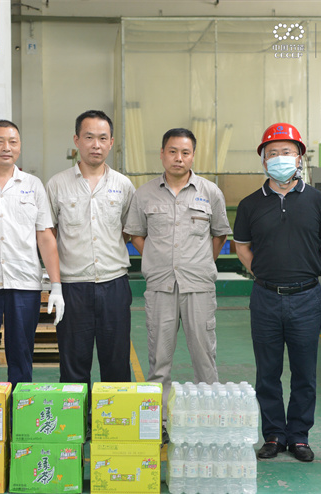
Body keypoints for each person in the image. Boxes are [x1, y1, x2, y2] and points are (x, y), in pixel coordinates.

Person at [233, 123, 321, 462]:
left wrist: (310, 272)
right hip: (265, 297)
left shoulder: (318, 201)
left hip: (306, 298)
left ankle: (299, 437)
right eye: (273, 153)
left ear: (299, 157)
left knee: (305, 373)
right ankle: (274, 435)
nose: (280, 158)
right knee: (267, 373)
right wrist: (263, 273)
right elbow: (242, 247)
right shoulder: (250, 204)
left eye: (287, 152)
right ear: (264, 160)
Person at [124, 128, 231, 435]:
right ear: (162, 154)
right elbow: (136, 234)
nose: (178, 158)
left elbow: (219, 235)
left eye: (185, 152)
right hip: (160, 287)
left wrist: (200, 263)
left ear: (193, 156)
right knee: (159, 359)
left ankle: (208, 421)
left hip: (199, 287)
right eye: (172, 151)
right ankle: (158, 423)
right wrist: (156, 257)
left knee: (204, 357)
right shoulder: (144, 194)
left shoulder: (210, 192)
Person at [0, 120, 63, 387]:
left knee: (21, 354)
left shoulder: (33, 185)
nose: (6, 147)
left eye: (13, 142)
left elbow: (45, 236)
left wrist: (56, 285)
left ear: (19, 146)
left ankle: (20, 410)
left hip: (24, 283)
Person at [46, 110, 135, 393]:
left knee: (117, 362)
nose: (96, 145)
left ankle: (115, 415)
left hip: (114, 285)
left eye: (103, 138)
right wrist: (55, 285)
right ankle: (75, 416)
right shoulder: (57, 184)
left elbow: (128, 230)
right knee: (73, 364)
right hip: (73, 288)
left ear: (111, 143)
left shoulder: (123, 185)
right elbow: (49, 235)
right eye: (89, 137)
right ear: (76, 140)